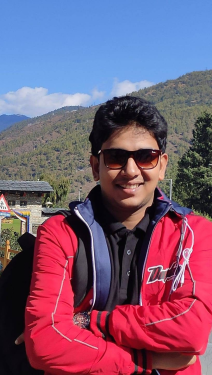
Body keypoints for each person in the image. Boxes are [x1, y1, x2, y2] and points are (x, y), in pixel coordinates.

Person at [24, 96, 212, 374]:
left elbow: (191, 330)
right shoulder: (61, 234)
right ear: (95, 166)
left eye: (146, 157)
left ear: (162, 165)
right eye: (115, 157)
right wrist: (145, 362)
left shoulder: (192, 233)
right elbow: (47, 343)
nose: (131, 170)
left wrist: (93, 322)